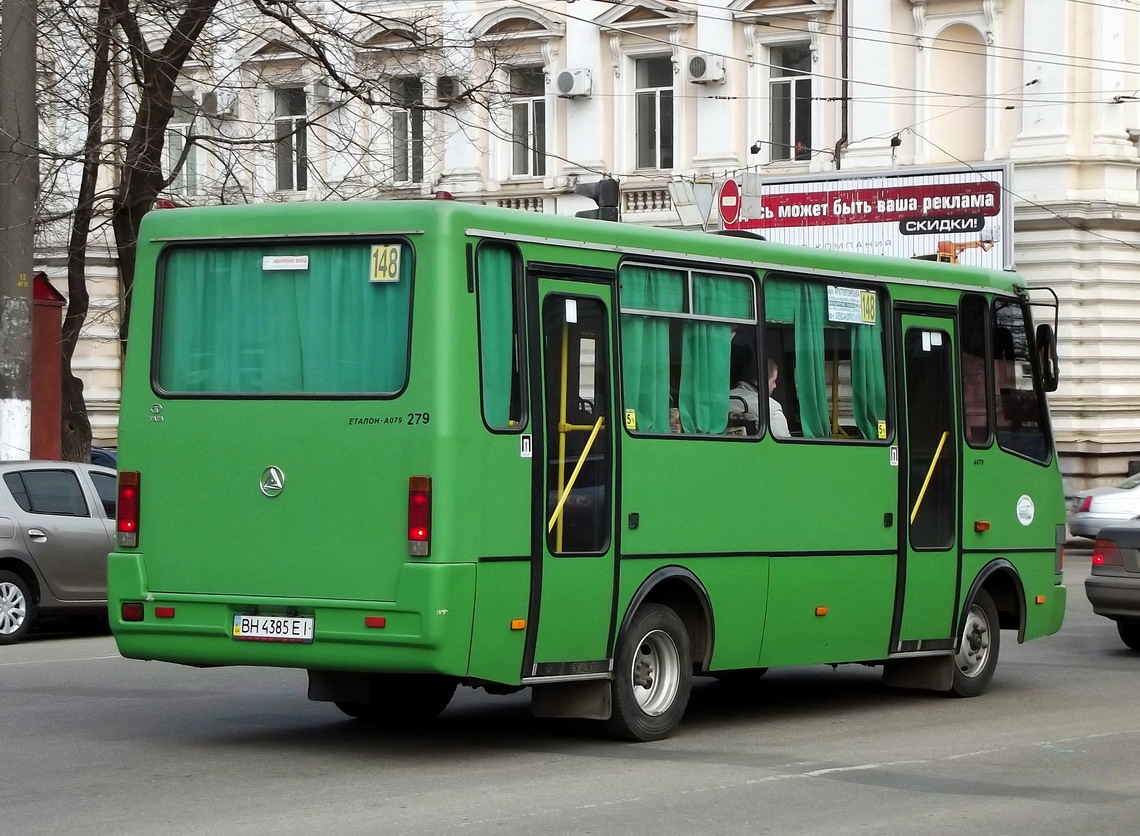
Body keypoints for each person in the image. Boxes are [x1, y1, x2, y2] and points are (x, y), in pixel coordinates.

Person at [766, 358, 790, 438]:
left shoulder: (727, 400)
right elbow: (786, 445)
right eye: (773, 381)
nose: (775, 386)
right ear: (763, 380)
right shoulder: (772, 408)